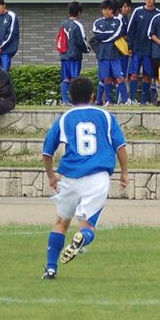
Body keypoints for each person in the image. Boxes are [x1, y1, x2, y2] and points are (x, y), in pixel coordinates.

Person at [41, 77, 129, 279]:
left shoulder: (64, 118)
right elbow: (120, 147)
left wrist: (52, 176)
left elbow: (47, 152)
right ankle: (83, 237)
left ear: (70, 96)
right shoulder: (105, 116)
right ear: (92, 95)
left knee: (61, 222)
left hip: (70, 177)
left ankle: (51, 268)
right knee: (88, 226)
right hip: (97, 177)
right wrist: (125, 172)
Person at [127, 0, 160, 105]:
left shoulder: (158, 14)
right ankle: (132, 99)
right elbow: (130, 30)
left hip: (150, 50)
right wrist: (130, 46)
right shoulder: (137, 11)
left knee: (147, 75)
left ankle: (144, 100)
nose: (148, 0)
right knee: (134, 74)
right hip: (137, 49)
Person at [92, 0, 125, 106]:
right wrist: (109, 35)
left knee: (119, 77)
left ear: (113, 10)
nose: (107, 11)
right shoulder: (97, 22)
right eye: (105, 9)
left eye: (109, 9)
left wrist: (105, 38)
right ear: (102, 10)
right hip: (103, 55)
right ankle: (108, 101)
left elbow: (117, 34)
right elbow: (97, 34)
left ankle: (125, 101)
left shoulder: (118, 21)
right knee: (106, 78)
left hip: (115, 54)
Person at [58, 1, 89, 105]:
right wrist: (87, 49)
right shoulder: (78, 25)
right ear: (79, 12)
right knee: (74, 79)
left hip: (64, 55)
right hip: (75, 56)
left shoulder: (63, 24)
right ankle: (74, 100)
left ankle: (65, 100)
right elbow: (81, 41)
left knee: (65, 78)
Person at [0, 0, 19, 71]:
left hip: (7, 50)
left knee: (4, 72)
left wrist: (1, 47)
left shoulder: (11, 15)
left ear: (4, 5)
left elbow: (11, 34)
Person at [118, 0, 134, 103]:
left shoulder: (127, 19)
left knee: (125, 76)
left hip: (126, 52)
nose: (127, 9)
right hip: (121, 52)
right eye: (124, 6)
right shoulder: (119, 20)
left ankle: (123, 100)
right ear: (120, 8)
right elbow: (119, 36)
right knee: (121, 77)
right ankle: (120, 101)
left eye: (128, 6)